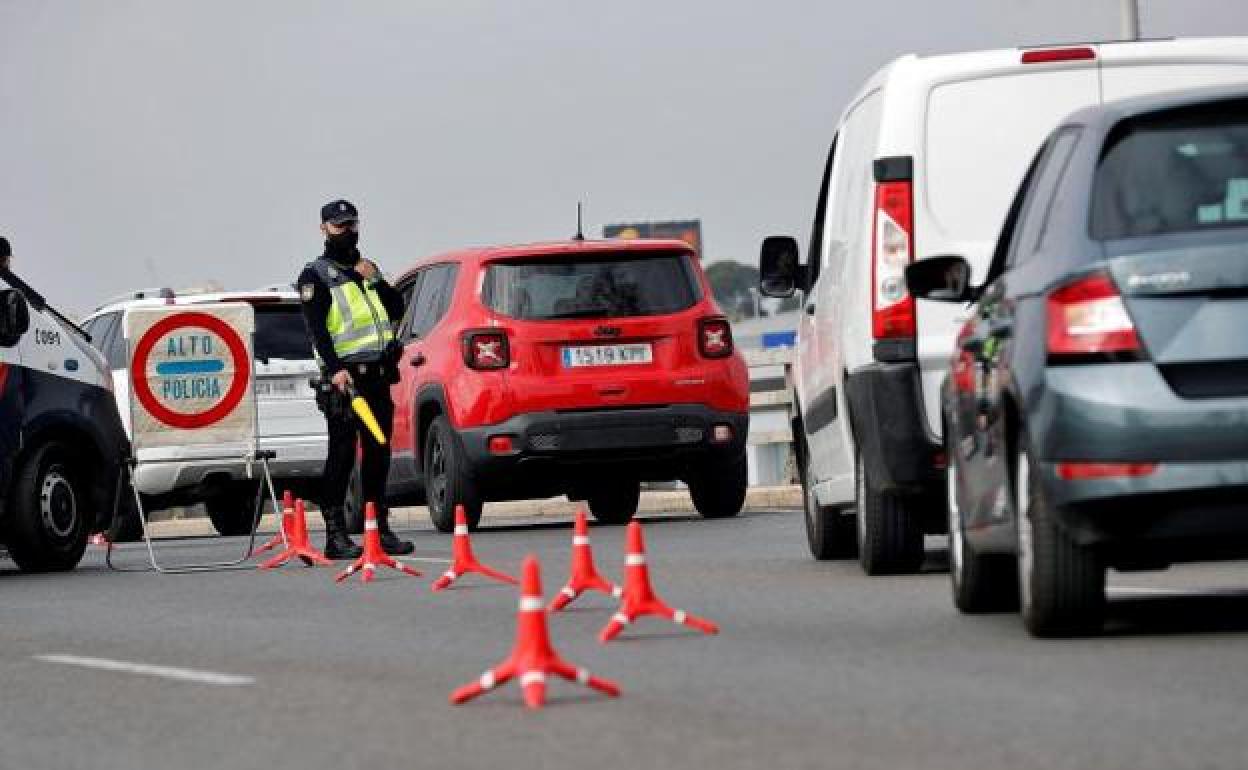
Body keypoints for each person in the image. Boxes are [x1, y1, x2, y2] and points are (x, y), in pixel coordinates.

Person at [297, 199, 413, 558]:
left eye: (352, 225)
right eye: (339, 226)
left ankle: (379, 527)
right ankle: (335, 534)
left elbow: (397, 308)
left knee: (378, 452)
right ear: (324, 230)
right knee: (343, 454)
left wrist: (375, 281)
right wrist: (336, 371)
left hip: (377, 376)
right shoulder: (315, 276)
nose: (347, 232)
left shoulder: (367, 268)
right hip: (346, 380)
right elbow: (318, 332)